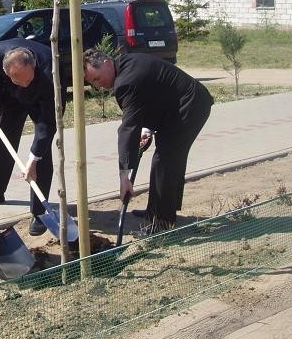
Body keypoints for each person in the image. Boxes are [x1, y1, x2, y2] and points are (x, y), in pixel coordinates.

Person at [82, 49, 213, 234]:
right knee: (169, 158)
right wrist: (148, 129)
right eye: (92, 83)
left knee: (165, 159)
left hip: (189, 107)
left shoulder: (125, 81)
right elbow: (151, 95)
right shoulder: (127, 64)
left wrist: (124, 175)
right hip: (179, 106)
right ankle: (159, 211)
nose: (98, 86)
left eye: (96, 79)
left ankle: (160, 223)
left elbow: (128, 129)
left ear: (106, 63)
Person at [0, 39, 58, 236]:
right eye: (16, 78)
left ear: (33, 67)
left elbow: (48, 123)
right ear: (7, 70)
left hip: (41, 101)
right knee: (2, 143)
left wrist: (33, 158)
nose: (23, 83)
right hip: (11, 99)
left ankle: (39, 211)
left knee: (41, 152)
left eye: (26, 79)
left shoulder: (51, 71)